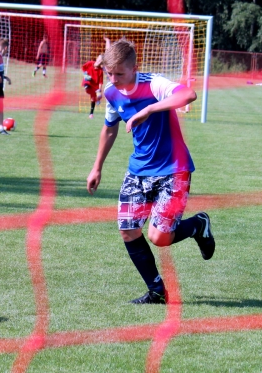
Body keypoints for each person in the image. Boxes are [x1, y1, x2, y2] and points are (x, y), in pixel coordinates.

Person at [86, 38, 214, 304]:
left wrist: (149, 109)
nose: (114, 79)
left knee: (159, 237)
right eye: (110, 73)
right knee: (128, 229)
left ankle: (197, 225)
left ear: (135, 68)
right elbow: (110, 127)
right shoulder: (111, 92)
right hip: (139, 170)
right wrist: (97, 167)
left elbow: (189, 95)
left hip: (174, 169)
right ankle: (156, 291)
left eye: (119, 73)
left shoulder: (154, 84)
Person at [82, 54, 105, 118]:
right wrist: (85, 74)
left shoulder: (100, 71)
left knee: (93, 98)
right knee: (87, 80)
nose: (99, 61)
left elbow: (100, 82)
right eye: (99, 59)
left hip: (95, 86)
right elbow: (83, 67)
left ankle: (91, 114)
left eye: (101, 61)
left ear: (102, 63)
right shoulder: (90, 63)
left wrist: (99, 90)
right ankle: (87, 86)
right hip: (88, 83)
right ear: (97, 58)